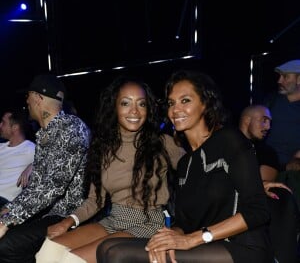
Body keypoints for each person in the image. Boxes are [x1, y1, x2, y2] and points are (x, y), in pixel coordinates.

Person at [96, 70, 274, 263]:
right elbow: (183, 223)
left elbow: (258, 211)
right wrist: (168, 237)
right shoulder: (184, 164)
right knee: (106, 248)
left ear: (205, 103)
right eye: (171, 103)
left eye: (185, 100)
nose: (175, 110)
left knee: (117, 254)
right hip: (204, 245)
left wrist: (192, 239)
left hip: (241, 247)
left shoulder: (228, 140)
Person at [35, 76, 185, 263]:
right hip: (114, 219)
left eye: (142, 104)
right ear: (114, 107)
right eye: (125, 103)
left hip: (148, 223)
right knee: (47, 253)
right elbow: (94, 200)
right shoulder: (103, 148)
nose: (134, 111)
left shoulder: (162, 143)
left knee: (71, 261)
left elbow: (194, 174)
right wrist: (67, 222)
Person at [0, 74, 91, 263]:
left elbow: (52, 187)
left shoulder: (72, 129)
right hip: (45, 212)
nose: (26, 101)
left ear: (38, 98)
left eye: (28, 96)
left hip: (66, 214)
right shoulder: (45, 135)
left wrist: (8, 220)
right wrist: (7, 210)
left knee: (5, 245)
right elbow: (36, 188)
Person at [239, 104, 299, 263]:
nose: (268, 126)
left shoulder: (266, 151)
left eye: (270, 122)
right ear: (247, 120)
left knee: (279, 197)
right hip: (218, 199)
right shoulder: (223, 142)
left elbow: (265, 182)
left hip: (251, 201)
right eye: (264, 120)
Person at [263, 59, 300, 209]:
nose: (280, 80)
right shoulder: (271, 100)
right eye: (279, 76)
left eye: (285, 76)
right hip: (267, 165)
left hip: (293, 170)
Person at [0, 110, 36, 207]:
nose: (0, 125)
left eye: (3, 122)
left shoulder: (29, 148)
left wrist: (32, 166)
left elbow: (49, 161)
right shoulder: (1, 146)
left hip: (5, 200)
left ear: (15, 127)